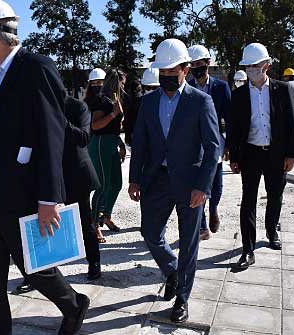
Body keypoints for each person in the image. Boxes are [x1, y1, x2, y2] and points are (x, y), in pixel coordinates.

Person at [0, 0, 88, 335]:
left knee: (35, 268)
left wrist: (50, 197)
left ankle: (74, 305)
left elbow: (52, 133)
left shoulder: (35, 68)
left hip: (20, 192)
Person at [128, 38, 220, 323]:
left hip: (190, 184)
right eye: (162, 72)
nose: (166, 77)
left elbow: (213, 147)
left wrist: (202, 187)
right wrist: (134, 179)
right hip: (156, 179)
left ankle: (182, 297)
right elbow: (140, 142)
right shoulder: (148, 102)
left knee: (189, 242)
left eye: (171, 71)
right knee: (150, 233)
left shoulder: (200, 101)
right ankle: (172, 271)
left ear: (185, 68)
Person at [13, 94, 103, 293]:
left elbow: (84, 138)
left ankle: (94, 261)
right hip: (45, 174)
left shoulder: (78, 107)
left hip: (75, 173)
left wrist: (59, 119)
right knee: (39, 222)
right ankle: (37, 275)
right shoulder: (34, 107)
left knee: (84, 220)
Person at [228, 43, 294, 270]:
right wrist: (234, 157)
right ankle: (247, 250)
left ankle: (271, 230)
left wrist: (291, 154)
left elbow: (290, 124)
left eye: (255, 65)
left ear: (266, 66)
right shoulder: (238, 95)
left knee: (275, 195)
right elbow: (235, 127)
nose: (251, 70)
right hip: (251, 153)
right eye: (248, 66)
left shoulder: (281, 90)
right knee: (248, 200)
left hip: (276, 154)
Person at [187, 45, 232, 240]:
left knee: (216, 181)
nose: (197, 68)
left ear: (208, 63)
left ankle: (213, 208)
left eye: (200, 64)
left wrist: (230, 144)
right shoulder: (187, 87)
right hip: (195, 144)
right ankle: (203, 225)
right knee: (199, 183)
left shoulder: (221, 88)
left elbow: (230, 116)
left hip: (216, 141)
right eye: (193, 64)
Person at [88, 69, 126, 242]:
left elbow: (115, 128)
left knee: (116, 183)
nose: (123, 86)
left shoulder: (116, 100)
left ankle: (106, 215)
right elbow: (95, 126)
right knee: (102, 186)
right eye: (122, 83)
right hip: (100, 143)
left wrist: (121, 144)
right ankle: (93, 225)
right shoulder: (101, 101)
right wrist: (113, 114)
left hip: (111, 143)